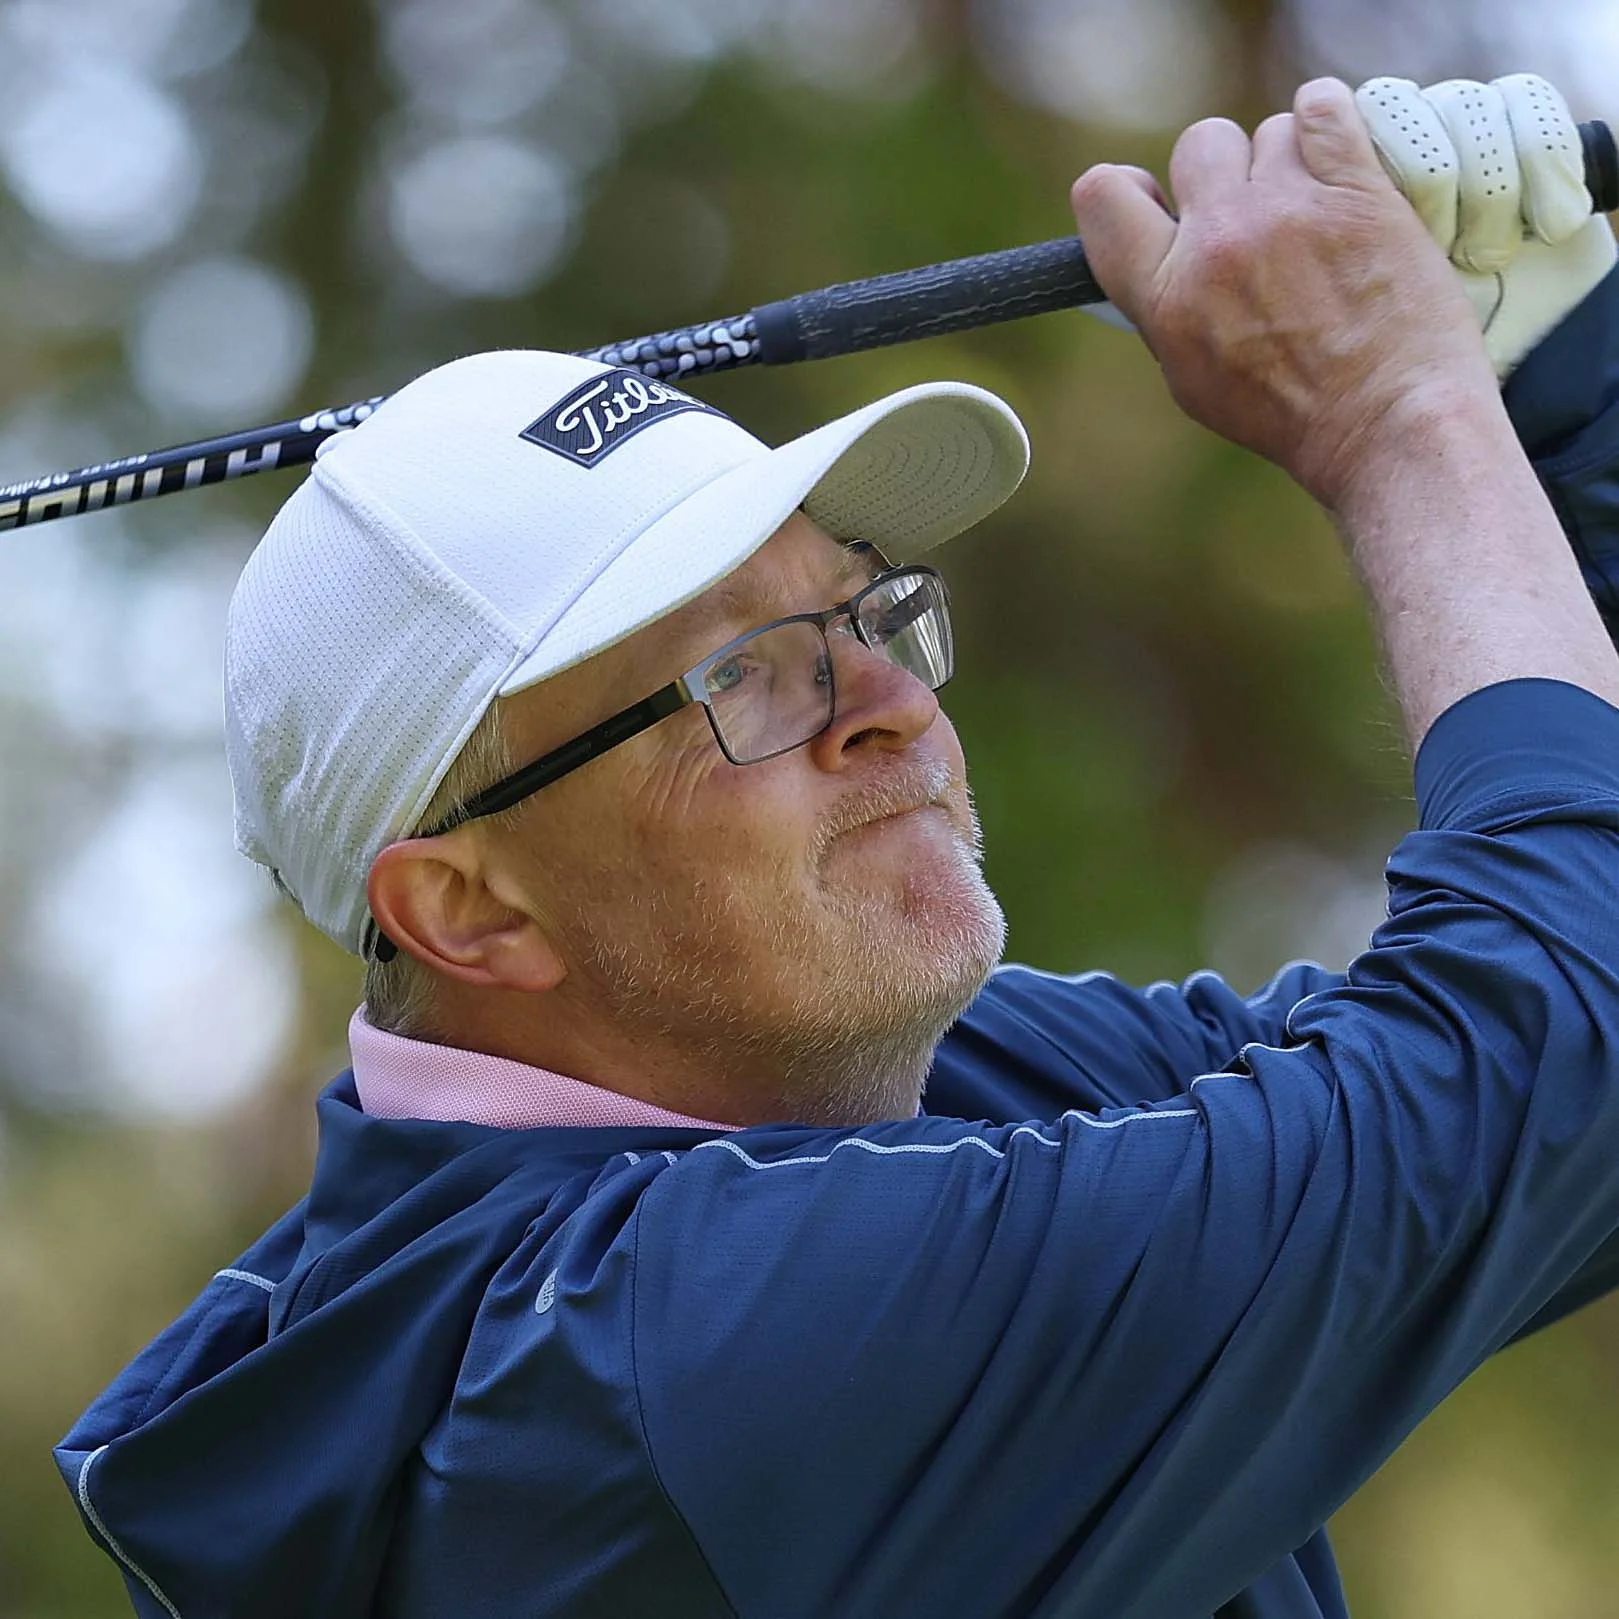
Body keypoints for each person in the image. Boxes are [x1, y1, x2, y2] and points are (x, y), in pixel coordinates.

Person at [55, 72, 1619, 1619]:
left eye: (859, 605)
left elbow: (1550, 1108)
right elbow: (1545, 1053)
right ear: (469, 910)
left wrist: (1550, 407)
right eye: (732, 673)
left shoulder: (842, 1085)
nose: (883, 697)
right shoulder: (666, 1355)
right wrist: (1408, 419)